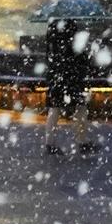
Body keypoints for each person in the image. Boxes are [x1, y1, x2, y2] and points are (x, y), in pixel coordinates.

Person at [43, 12, 99, 154]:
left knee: (55, 108)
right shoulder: (72, 29)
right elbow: (77, 54)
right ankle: (82, 141)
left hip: (56, 75)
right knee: (80, 108)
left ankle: (50, 144)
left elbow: (50, 54)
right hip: (71, 76)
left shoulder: (51, 30)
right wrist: (88, 57)